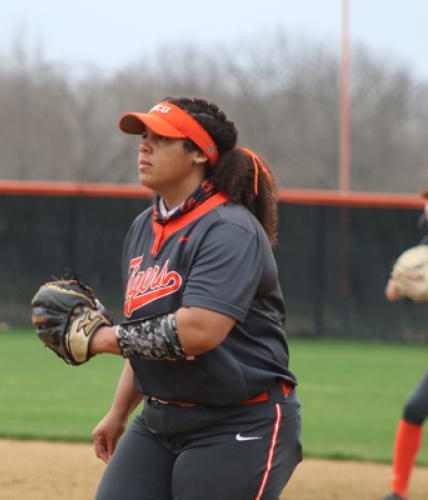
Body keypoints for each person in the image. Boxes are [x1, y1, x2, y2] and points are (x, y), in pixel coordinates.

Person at [88, 97, 302, 500]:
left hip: (239, 420)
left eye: (161, 138)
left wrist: (101, 339)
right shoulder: (143, 227)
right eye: (144, 136)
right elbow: (145, 331)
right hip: (160, 419)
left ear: (199, 153)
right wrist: (119, 413)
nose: (144, 146)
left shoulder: (229, 229)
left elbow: (197, 331)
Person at [382, 189, 428, 500]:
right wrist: (404, 279)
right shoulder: (423, 249)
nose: (426, 205)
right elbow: (391, 292)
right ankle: (397, 492)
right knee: (414, 408)